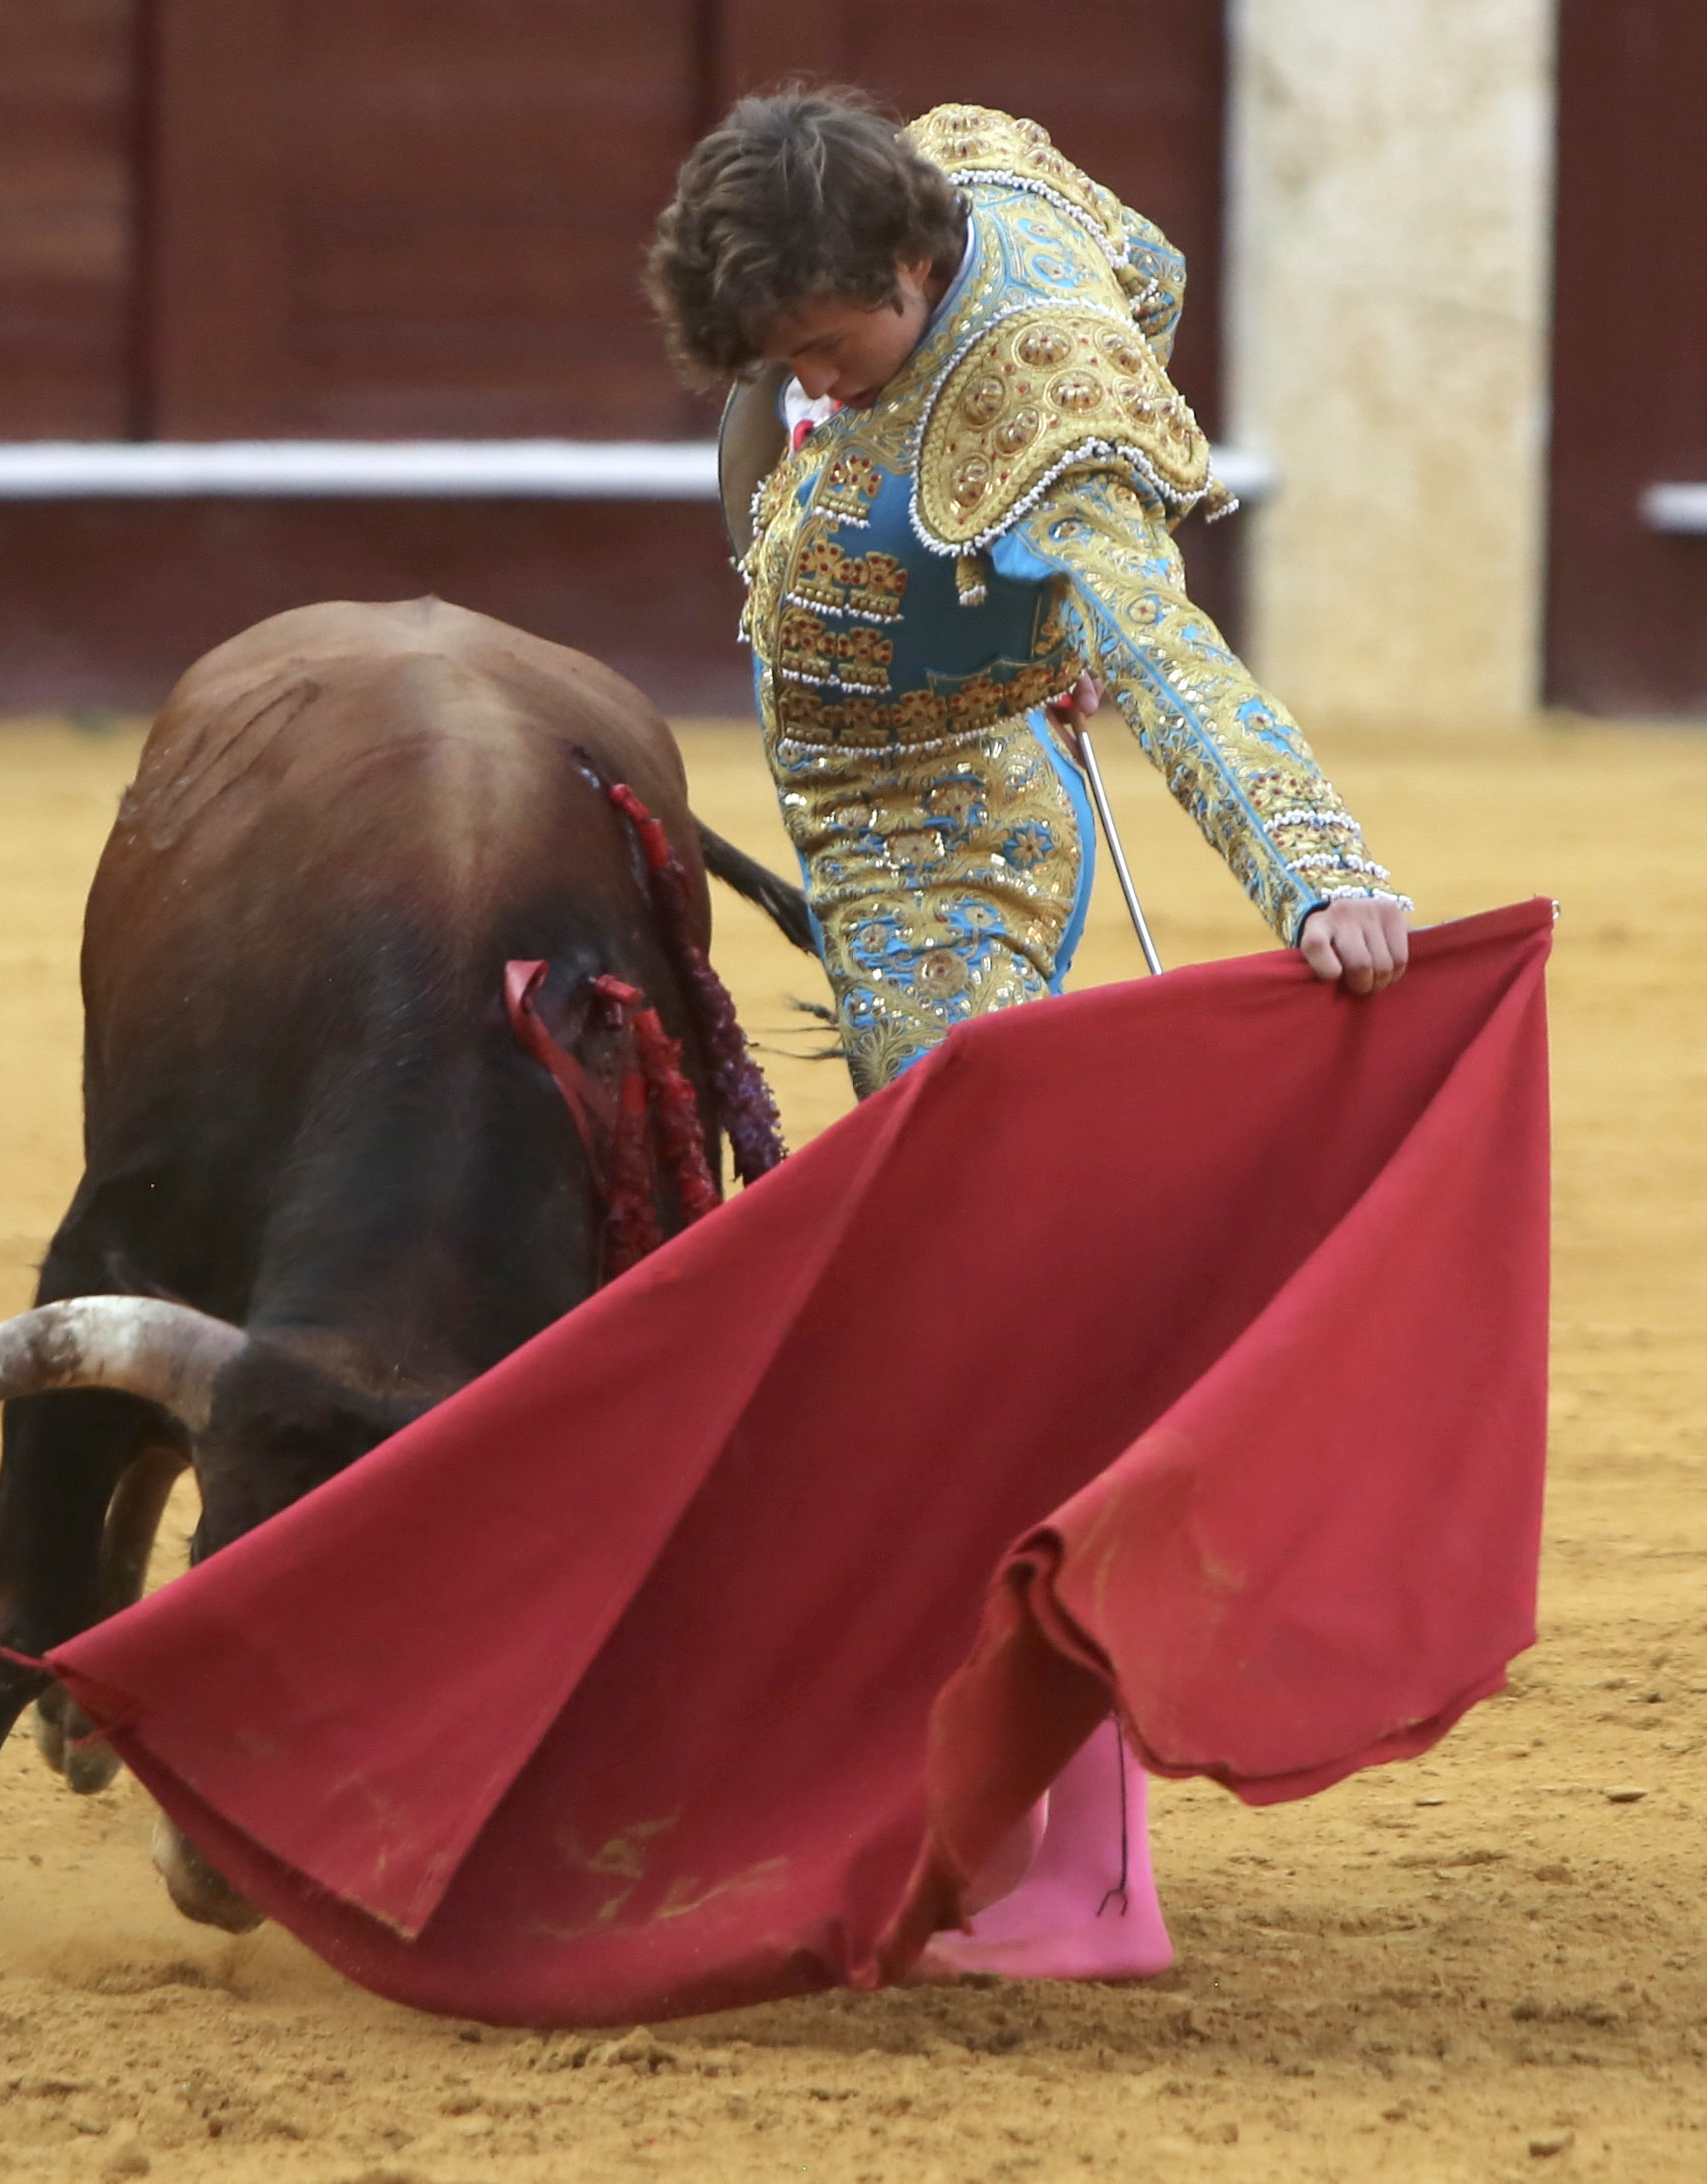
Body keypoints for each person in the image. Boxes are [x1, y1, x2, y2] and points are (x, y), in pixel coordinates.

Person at [644, 89, 1413, 1981]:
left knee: (977, 1334)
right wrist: (998, 602)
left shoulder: (1045, 424)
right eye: (778, 358)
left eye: (826, 348)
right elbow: (1138, 265)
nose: (808, 381)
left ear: (911, 271)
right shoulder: (960, 167)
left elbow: (1164, 652)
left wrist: (1314, 872)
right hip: (917, 762)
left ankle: (1082, 1871)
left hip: (935, 849)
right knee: (967, 1312)